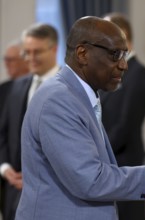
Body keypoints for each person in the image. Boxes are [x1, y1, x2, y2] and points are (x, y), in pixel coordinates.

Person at [15, 16, 145, 220]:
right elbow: (90, 179)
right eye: (115, 54)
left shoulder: (76, 95)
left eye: (124, 55)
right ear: (82, 54)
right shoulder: (58, 99)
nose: (124, 65)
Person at [0, 23, 60, 220]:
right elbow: (4, 133)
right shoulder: (17, 86)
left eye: (37, 52)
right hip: (14, 190)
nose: (31, 58)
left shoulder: (69, 87)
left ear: (54, 49)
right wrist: (5, 168)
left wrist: (40, 176)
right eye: (27, 52)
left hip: (54, 193)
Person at [100, 13, 145, 220]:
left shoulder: (139, 73)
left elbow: (127, 125)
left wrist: (96, 151)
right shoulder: (108, 72)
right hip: (108, 164)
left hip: (125, 164)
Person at [0, 40, 29, 220]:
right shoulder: (3, 90)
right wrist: (4, 166)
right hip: (8, 176)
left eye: (12, 60)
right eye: (5, 60)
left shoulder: (45, 87)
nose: (7, 64)